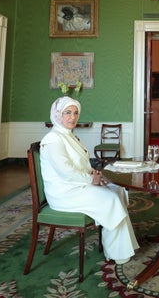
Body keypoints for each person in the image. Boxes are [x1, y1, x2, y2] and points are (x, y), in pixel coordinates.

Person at [39, 96, 139, 264]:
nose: (72, 117)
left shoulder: (68, 135)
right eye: (67, 113)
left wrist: (96, 175)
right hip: (63, 192)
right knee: (111, 199)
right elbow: (66, 172)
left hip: (76, 185)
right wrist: (91, 180)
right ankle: (117, 253)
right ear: (57, 114)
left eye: (76, 113)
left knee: (117, 190)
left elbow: (80, 165)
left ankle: (121, 246)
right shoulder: (53, 139)